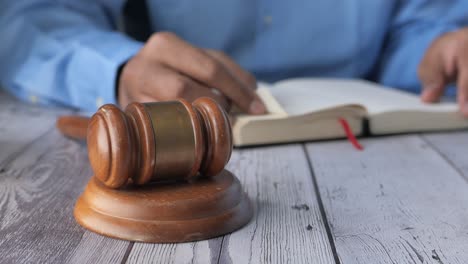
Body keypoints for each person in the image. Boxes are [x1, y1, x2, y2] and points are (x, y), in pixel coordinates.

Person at [1, 1, 468, 116]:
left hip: (368, 135)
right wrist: (121, 69)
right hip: (173, 121)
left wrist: (442, 48)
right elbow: (35, 18)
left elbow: (414, 30)